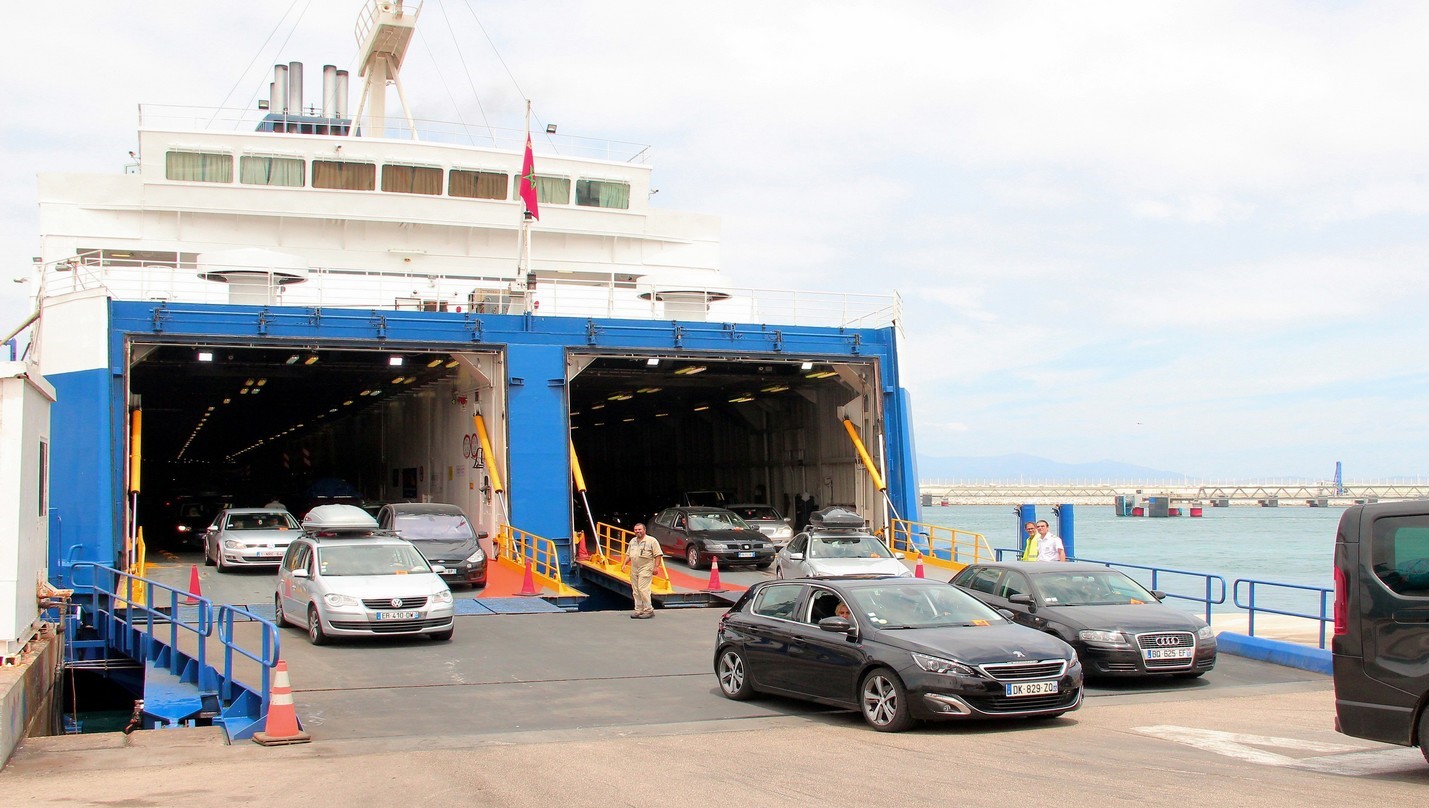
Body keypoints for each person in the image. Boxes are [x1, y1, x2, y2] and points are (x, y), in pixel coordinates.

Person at [619, 523, 665, 619]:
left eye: (639, 529)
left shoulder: (651, 541)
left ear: (644, 530)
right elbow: (628, 554)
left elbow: (658, 555)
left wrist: (656, 567)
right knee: (635, 590)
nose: (637, 531)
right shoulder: (633, 541)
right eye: (636, 530)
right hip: (634, 568)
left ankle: (648, 610)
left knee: (643, 589)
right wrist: (624, 564)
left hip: (646, 567)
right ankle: (638, 610)